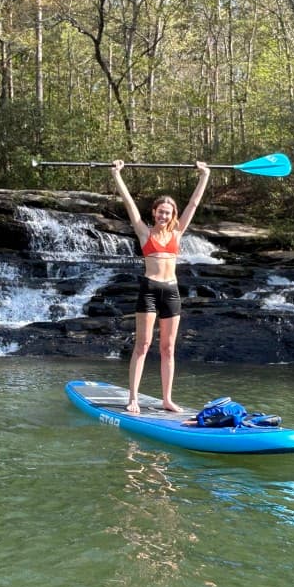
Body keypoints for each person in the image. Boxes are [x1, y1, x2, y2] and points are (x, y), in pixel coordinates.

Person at [111, 159, 211, 413]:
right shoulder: (145, 233)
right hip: (149, 290)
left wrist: (204, 175)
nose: (164, 215)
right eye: (160, 211)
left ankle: (166, 399)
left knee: (167, 348)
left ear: (172, 215)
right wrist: (117, 175)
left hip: (172, 291)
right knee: (143, 345)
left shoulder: (177, 234)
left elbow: (193, 204)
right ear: (154, 213)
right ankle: (133, 398)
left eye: (168, 212)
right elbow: (130, 205)